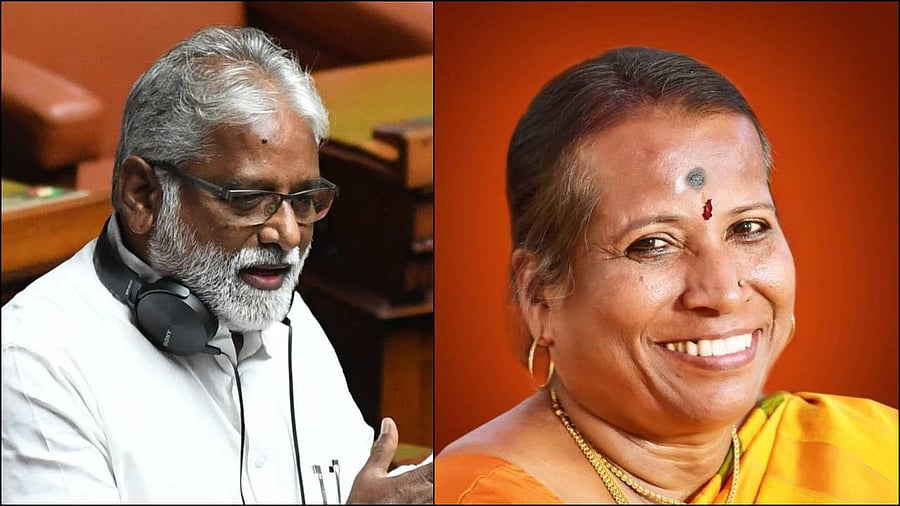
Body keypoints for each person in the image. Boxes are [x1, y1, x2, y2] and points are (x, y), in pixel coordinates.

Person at [435, 46, 897, 503]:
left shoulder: (872, 454)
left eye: (748, 227)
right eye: (653, 243)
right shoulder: (477, 496)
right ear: (540, 296)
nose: (723, 293)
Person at [1, 26, 432, 504]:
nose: (287, 234)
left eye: (306, 200)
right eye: (248, 199)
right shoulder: (33, 364)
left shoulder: (284, 313)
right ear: (142, 194)